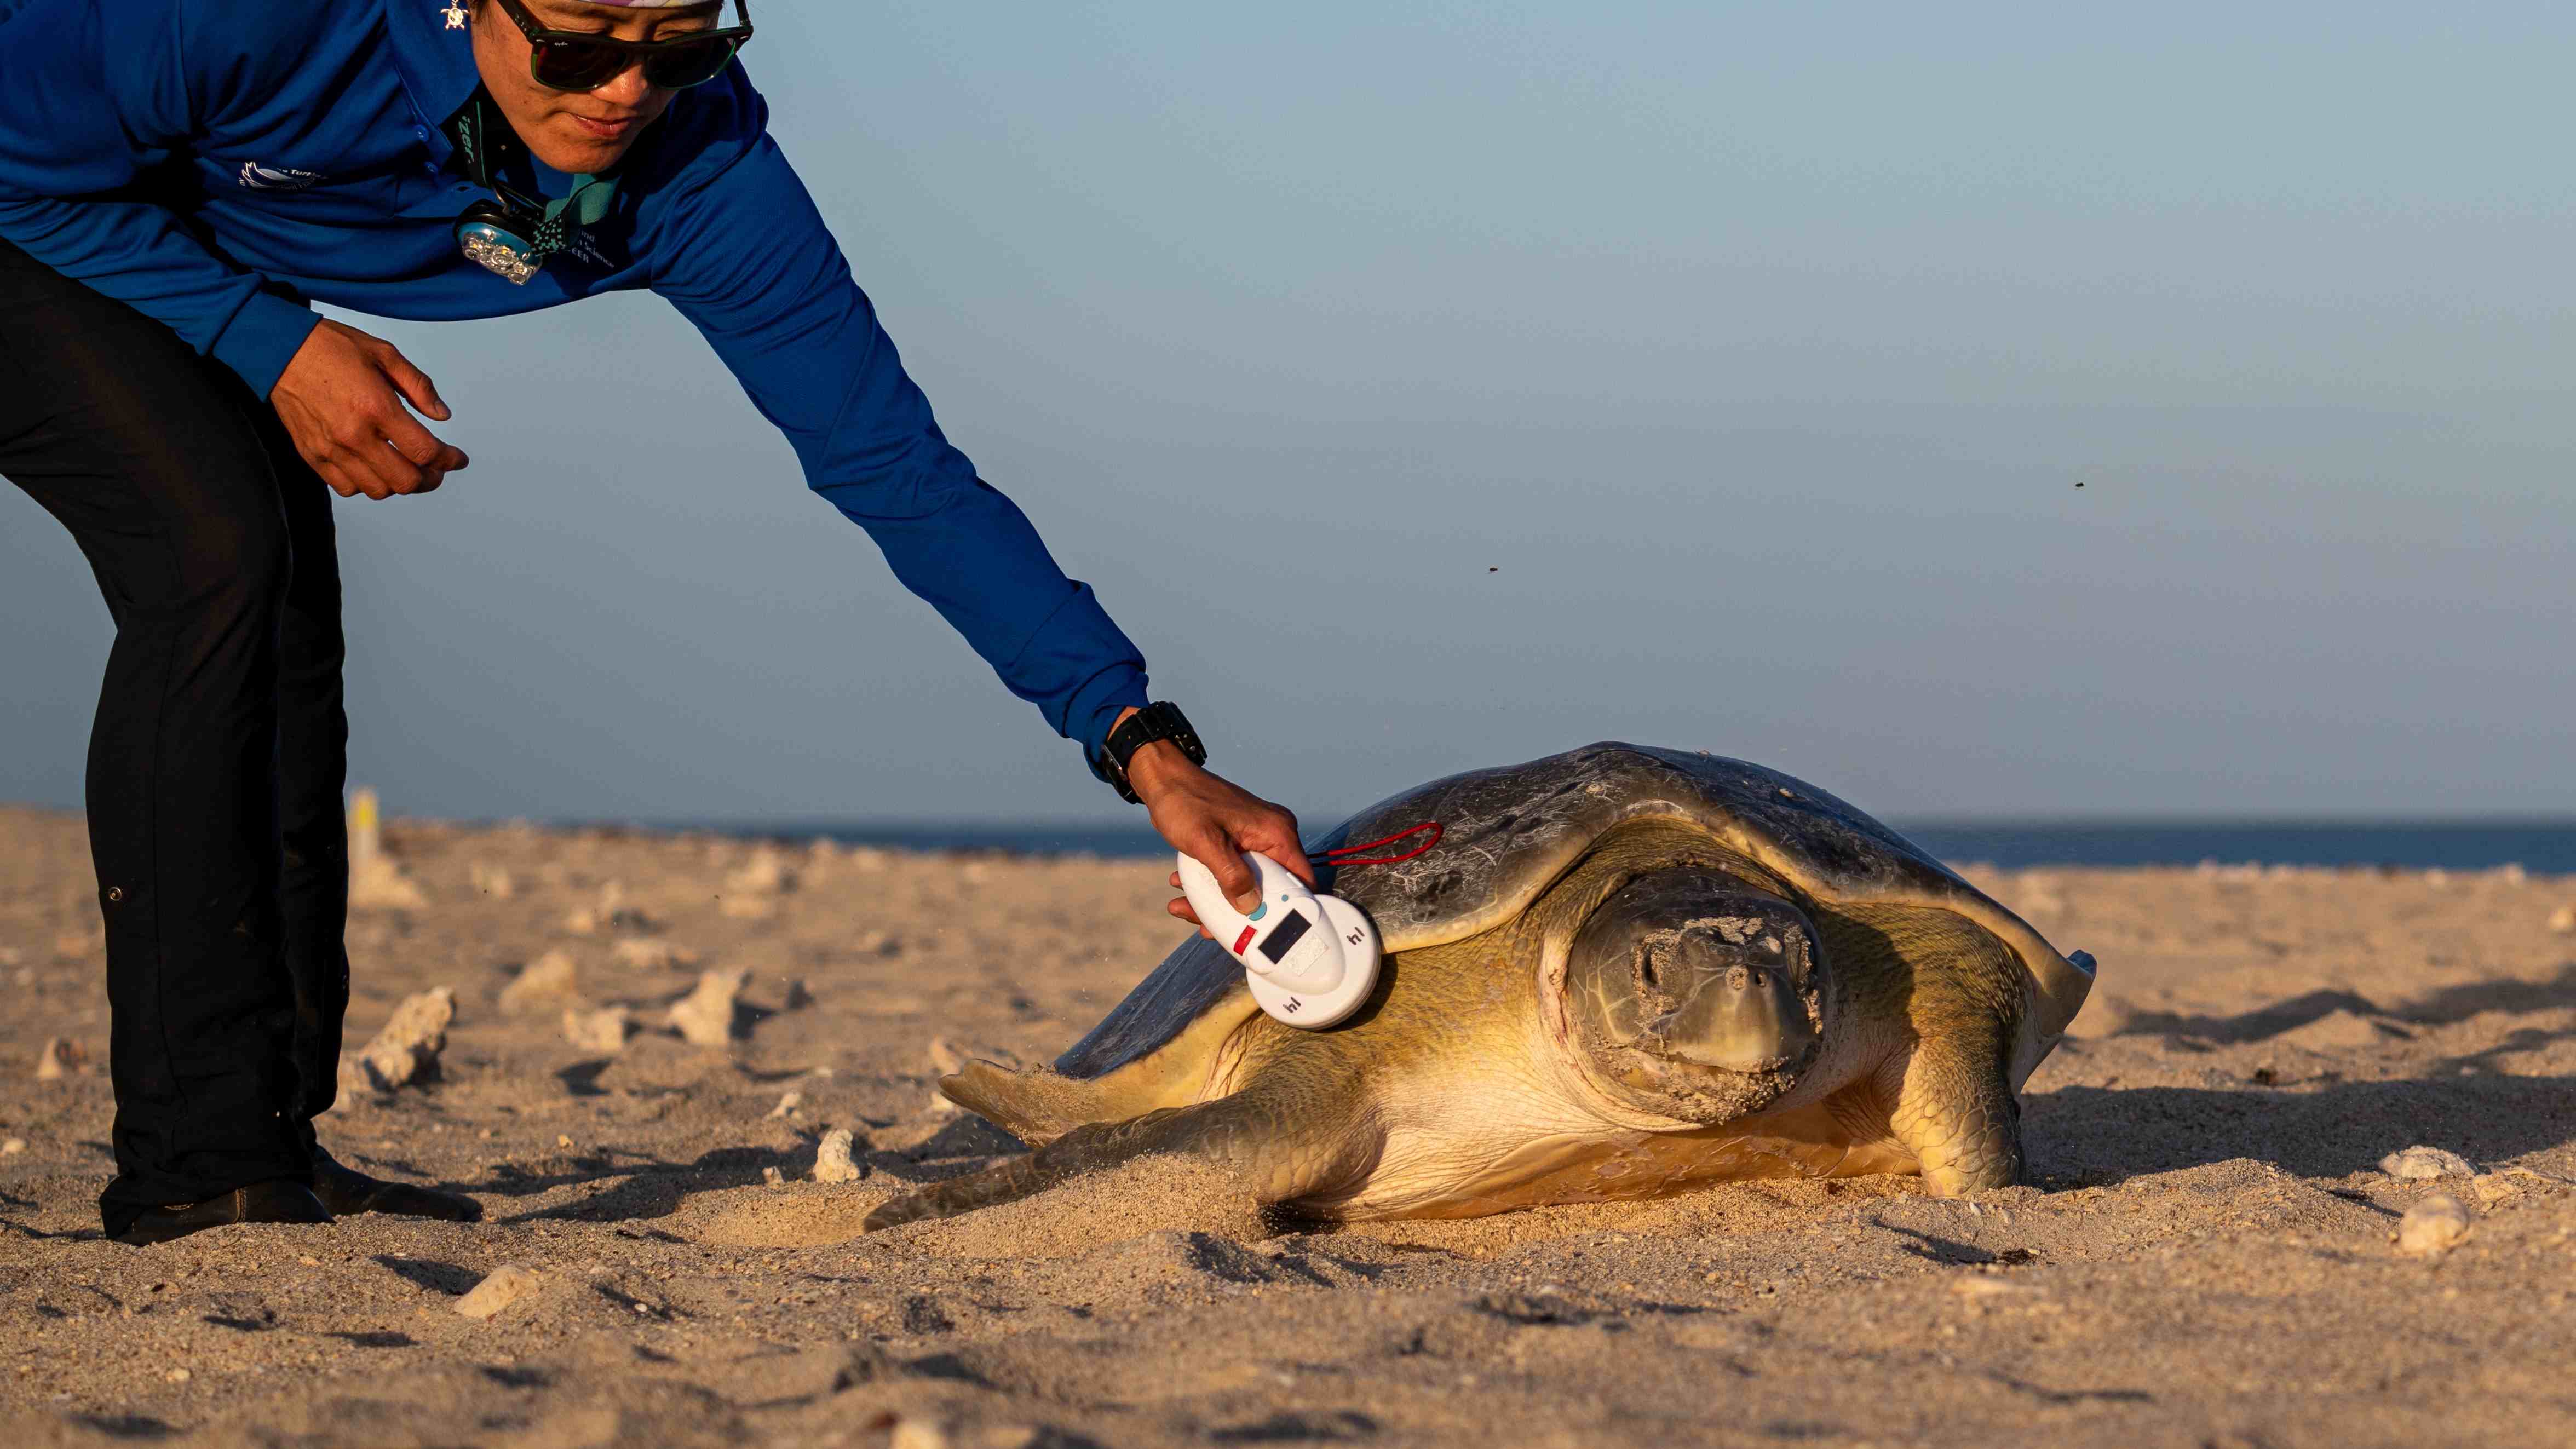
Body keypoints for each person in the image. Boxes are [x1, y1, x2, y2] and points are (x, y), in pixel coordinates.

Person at [0, 0, 1309, 1246]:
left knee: (281, 594)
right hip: (20, 209)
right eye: (575, 50)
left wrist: (1145, 746)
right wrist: (269, 339)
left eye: (675, 47)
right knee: (217, 548)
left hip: (137, 240)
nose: (625, 92)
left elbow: (898, 470)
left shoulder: (705, 172)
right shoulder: (254, 23)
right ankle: (195, 1169)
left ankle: (258, 1137)